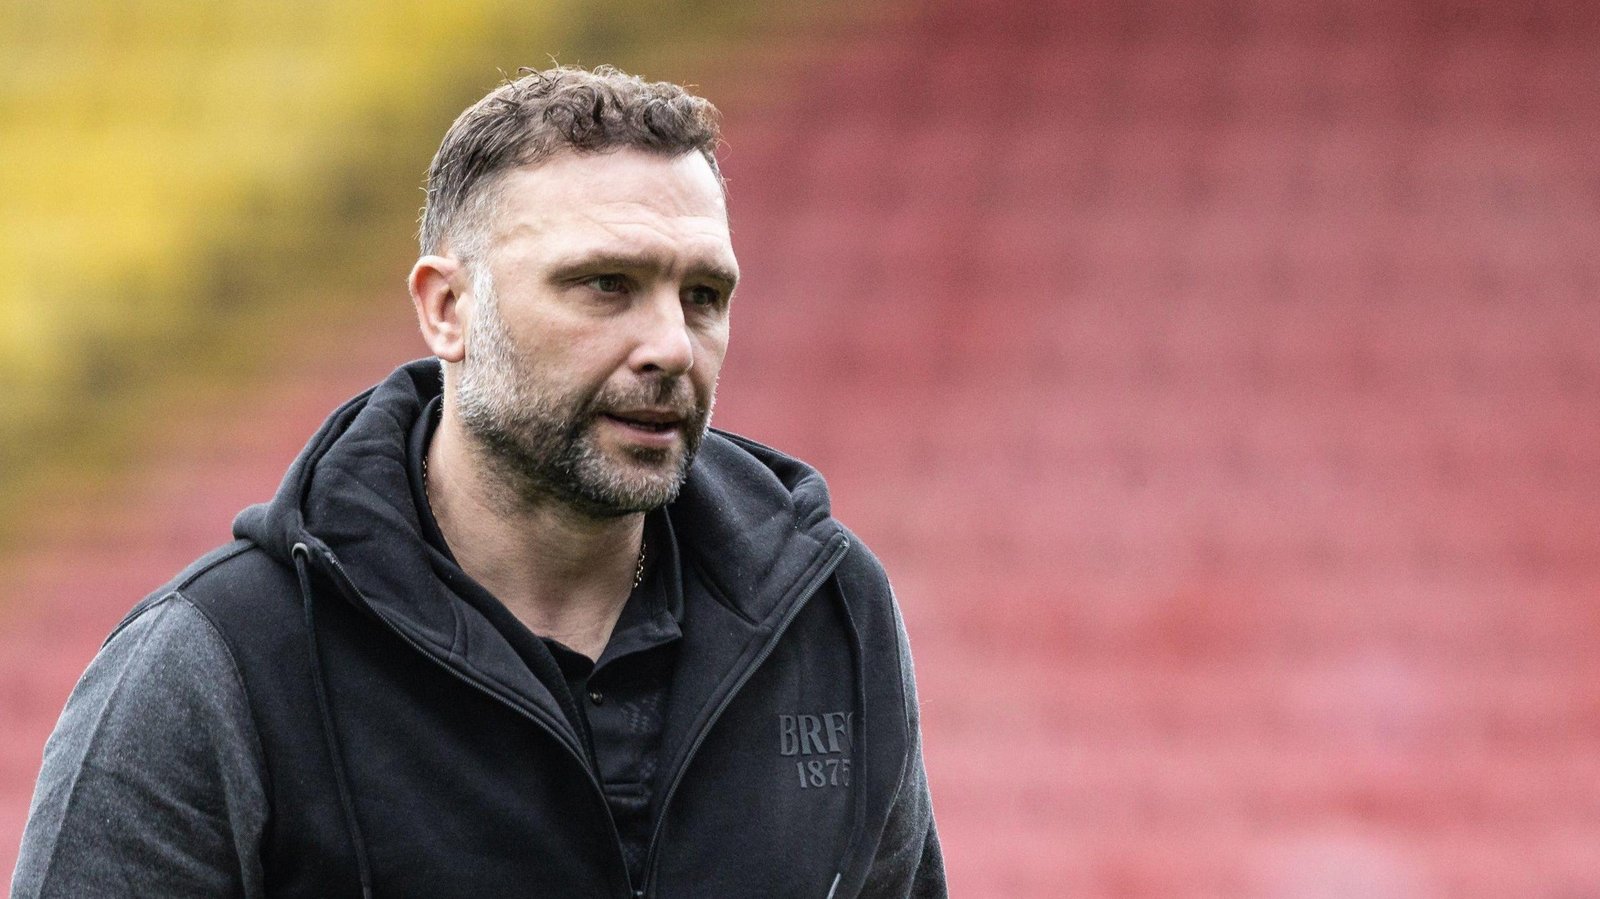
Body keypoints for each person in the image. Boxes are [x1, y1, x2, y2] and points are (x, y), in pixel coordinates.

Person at [12, 66, 944, 898]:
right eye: (606, 284)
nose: (671, 345)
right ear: (447, 308)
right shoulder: (218, 661)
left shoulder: (830, 617)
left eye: (703, 296)